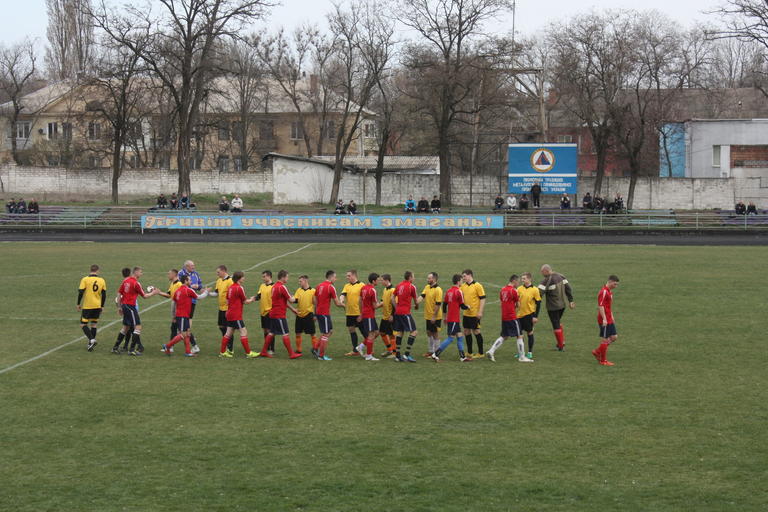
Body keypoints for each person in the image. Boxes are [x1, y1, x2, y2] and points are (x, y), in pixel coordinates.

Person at [486, 275, 532, 362]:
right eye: (518, 281)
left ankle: (491, 351)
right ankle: (522, 357)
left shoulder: (503, 290)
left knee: (504, 336)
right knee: (519, 335)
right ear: (514, 281)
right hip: (512, 317)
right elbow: (518, 305)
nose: (519, 283)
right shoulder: (513, 291)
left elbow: (502, 301)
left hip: (504, 317)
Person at [112, 266, 157, 356]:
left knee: (126, 327)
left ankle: (115, 348)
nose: (141, 273)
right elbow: (144, 296)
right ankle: (131, 350)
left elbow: (119, 293)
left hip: (125, 306)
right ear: (135, 272)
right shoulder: (136, 283)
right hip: (130, 307)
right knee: (138, 327)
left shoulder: (125, 281)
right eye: (140, 272)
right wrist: (153, 293)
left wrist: (119, 307)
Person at [162, 274, 208, 357]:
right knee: (183, 334)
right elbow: (199, 297)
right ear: (186, 281)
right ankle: (167, 346)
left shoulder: (178, 291)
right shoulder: (188, 290)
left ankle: (188, 352)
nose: (191, 281)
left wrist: (174, 315)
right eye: (189, 280)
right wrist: (206, 292)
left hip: (181, 315)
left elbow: (174, 303)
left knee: (187, 333)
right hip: (183, 316)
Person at [260, 270, 302, 358]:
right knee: (285, 333)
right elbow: (291, 300)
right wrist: (299, 296)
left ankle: (264, 351)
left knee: (271, 333)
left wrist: (293, 309)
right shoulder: (282, 287)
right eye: (287, 277)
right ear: (283, 277)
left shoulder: (274, 286)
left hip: (273, 313)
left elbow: (284, 301)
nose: (288, 278)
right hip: (279, 315)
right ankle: (291, 353)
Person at [218, 271, 260, 358]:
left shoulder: (230, 287)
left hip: (229, 313)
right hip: (235, 315)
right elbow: (245, 301)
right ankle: (249, 353)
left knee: (228, 333)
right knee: (243, 331)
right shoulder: (239, 288)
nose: (244, 278)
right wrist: (253, 299)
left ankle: (222, 352)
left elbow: (227, 300)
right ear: (239, 279)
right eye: (243, 277)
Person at [431, 274, 471, 362]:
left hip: (451, 319)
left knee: (460, 336)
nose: (462, 281)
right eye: (461, 280)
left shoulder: (449, 291)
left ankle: (462, 357)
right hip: (454, 319)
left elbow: (444, 305)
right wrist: (468, 307)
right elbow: (462, 306)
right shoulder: (458, 292)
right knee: (450, 338)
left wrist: (445, 317)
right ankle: (435, 354)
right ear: (458, 281)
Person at [539, 264, 575, 351]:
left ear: (546, 271)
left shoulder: (547, 280)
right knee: (558, 322)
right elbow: (568, 288)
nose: (541, 273)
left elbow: (538, 293)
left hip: (553, 307)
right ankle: (562, 342)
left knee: (556, 325)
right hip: (562, 305)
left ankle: (561, 346)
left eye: (542, 272)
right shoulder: (561, 276)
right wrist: (571, 301)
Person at [313, 270, 345, 360]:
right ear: (330, 277)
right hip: (324, 314)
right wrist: (345, 305)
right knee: (326, 334)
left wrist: (316, 312)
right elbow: (337, 303)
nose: (336, 279)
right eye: (335, 277)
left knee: (329, 331)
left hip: (319, 312)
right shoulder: (331, 287)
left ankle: (315, 348)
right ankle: (321, 355)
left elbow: (314, 301)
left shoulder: (318, 286)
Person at [392, 270, 422, 362]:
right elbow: (416, 301)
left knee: (400, 332)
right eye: (413, 276)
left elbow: (392, 297)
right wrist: (417, 306)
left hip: (398, 312)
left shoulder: (398, 285)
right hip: (405, 313)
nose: (414, 278)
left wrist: (396, 307)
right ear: (409, 278)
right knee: (414, 332)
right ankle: (406, 355)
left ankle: (397, 356)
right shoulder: (411, 287)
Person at [77, 264, 107, 352]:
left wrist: (78, 303)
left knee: (83, 324)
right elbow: (104, 294)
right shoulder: (102, 280)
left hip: (88, 306)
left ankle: (92, 340)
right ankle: (91, 345)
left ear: (90, 270)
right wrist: (102, 306)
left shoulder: (85, 279)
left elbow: (81, 292)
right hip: (97, 305)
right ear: (98, 271)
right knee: (94, 324)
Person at [592, 275, 620, 366]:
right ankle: (603, 360)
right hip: (604, 320)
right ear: (610, 281)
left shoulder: (609, 292)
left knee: (614, 337)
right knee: (605, 339)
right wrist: (604, 318)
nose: (616, 286)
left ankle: (597, 351)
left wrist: (611, 316)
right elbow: (601, 306)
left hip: (608, 318)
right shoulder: (603, 292)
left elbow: (608, 306)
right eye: (615, 284)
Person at [154, 268, 183, 353]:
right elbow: (168, 295)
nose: (168, 275)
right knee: (176, 328)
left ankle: (193, 345)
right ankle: (170, 347)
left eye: (169, 274)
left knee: (181, 329)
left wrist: (176, 312)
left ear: (174, 275)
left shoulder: (179, 284)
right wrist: (158, 292)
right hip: (175, 308)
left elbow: (181, 298)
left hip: (178, 309)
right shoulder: (172, 284)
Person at [356, 272, 383, 361]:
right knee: (371, 335)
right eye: (377, 280)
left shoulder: (363, 288)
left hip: (366, 314)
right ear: (373, 281)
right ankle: (369, 355)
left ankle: (360, 347)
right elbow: (375, 306)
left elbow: (360, 301)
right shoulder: (372, 290)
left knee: (377, 332)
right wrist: (383, 303)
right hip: (369, 315)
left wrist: (361, 313)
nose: (378, 281)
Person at [460, 269, 486, 358]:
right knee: (466, 332)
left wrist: (480, 312)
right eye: (462, 277)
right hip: (466, 314)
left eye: (464, 276)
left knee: (476, 331)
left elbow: (483, 299)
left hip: (475, 314)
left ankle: (481, 353)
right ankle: (470, 352)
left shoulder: (477, 286)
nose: (463, 278)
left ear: (470, 275)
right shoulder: (462, 286)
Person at [178, 260, 202, 353]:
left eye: (194, 265)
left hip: (192, 301)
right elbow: (180, 284)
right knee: (181, 323)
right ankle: (187, 337)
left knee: (188, 320)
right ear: (186, 266)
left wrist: (198, 287)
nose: (193, 267)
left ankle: (188, 338)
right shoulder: (181, 273)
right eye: (192, 265)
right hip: (183, 300)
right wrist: (192, 286)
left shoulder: (195, 274)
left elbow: (200, 285)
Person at [208, 265, 234, 353]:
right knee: (221, 326)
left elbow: (233, 294)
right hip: (221, 308)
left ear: (224, 271)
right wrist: (207, 293)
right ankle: (226, 343)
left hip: (228, 309)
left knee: (229, 328)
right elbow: (216, 293)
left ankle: (230, 348)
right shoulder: (219, 281)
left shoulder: (230, 281)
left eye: (218, 272)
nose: (217, 274)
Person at [517, 272, 542, 360]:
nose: (522, 280)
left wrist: (535, 316)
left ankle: (530, 352)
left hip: (529, 315)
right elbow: (516, 300)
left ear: (529, 279)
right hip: (519, 315)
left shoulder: (535, 290)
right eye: (522, 278)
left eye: (524, 278)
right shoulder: (519, 289)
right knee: (519, 334)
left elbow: (538, 303)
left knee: (529, 332)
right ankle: (521, 352)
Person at [340, 269, 365, 356]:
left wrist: (362, 313)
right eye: (347, 276)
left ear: (354, 276)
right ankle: (355, 350)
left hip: (358, 312)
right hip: (349, 313)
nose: (347, 277)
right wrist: (341, 300)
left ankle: (370, 349)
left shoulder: (362, 285)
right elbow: (343, 294)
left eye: (349, 276)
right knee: (351, 330)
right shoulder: (347, 285)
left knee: (364, 331)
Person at [292, 275, 317, 355]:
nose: (299, 283)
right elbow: (295, 300)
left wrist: (316, 315)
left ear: (306, 281)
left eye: (300, 281)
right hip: (299, 315)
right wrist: (290, 298)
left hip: (309, 315)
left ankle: (315, 349)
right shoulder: (299, 290)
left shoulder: (313, 291)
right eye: (299, 281)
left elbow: (316, 304)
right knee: (298, 333)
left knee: (312, 333)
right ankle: (299, 349)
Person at [421, 272, 443, 358]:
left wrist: (434, 316)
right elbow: (422, 296)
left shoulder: (438, 289)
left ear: (433, 279)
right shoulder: (427, 287)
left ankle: (436, 352)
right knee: (429, 332)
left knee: (435, 333)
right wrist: (416, 303)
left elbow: (438, 304)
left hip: (436, 316)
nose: (427, 279)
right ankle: (430, 351)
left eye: (429, 278)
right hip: (428, 315)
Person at [377, 274, 398, 358]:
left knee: (391, 335)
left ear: (387, 280)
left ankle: (394, 352)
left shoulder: (393, 290)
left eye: (382, 280)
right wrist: (375, 306)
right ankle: (389, 350)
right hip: (384, 316)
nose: (381, 282)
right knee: (382, 333)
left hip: (390, 316)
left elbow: (395, 304)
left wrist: (392, 315)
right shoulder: (385, 290)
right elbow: (382, 301)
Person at [256, 270, 274, 353]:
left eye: (264, 276)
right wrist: (252, 299)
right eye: (262, 276)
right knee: (265, 330)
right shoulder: (262, 285)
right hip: (263, 311)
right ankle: (266, 347)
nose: (263, 278)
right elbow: (259, 296)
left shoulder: (274, 287)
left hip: (270, 311)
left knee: (270, 330)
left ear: (269, 276)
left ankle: (271, 349)